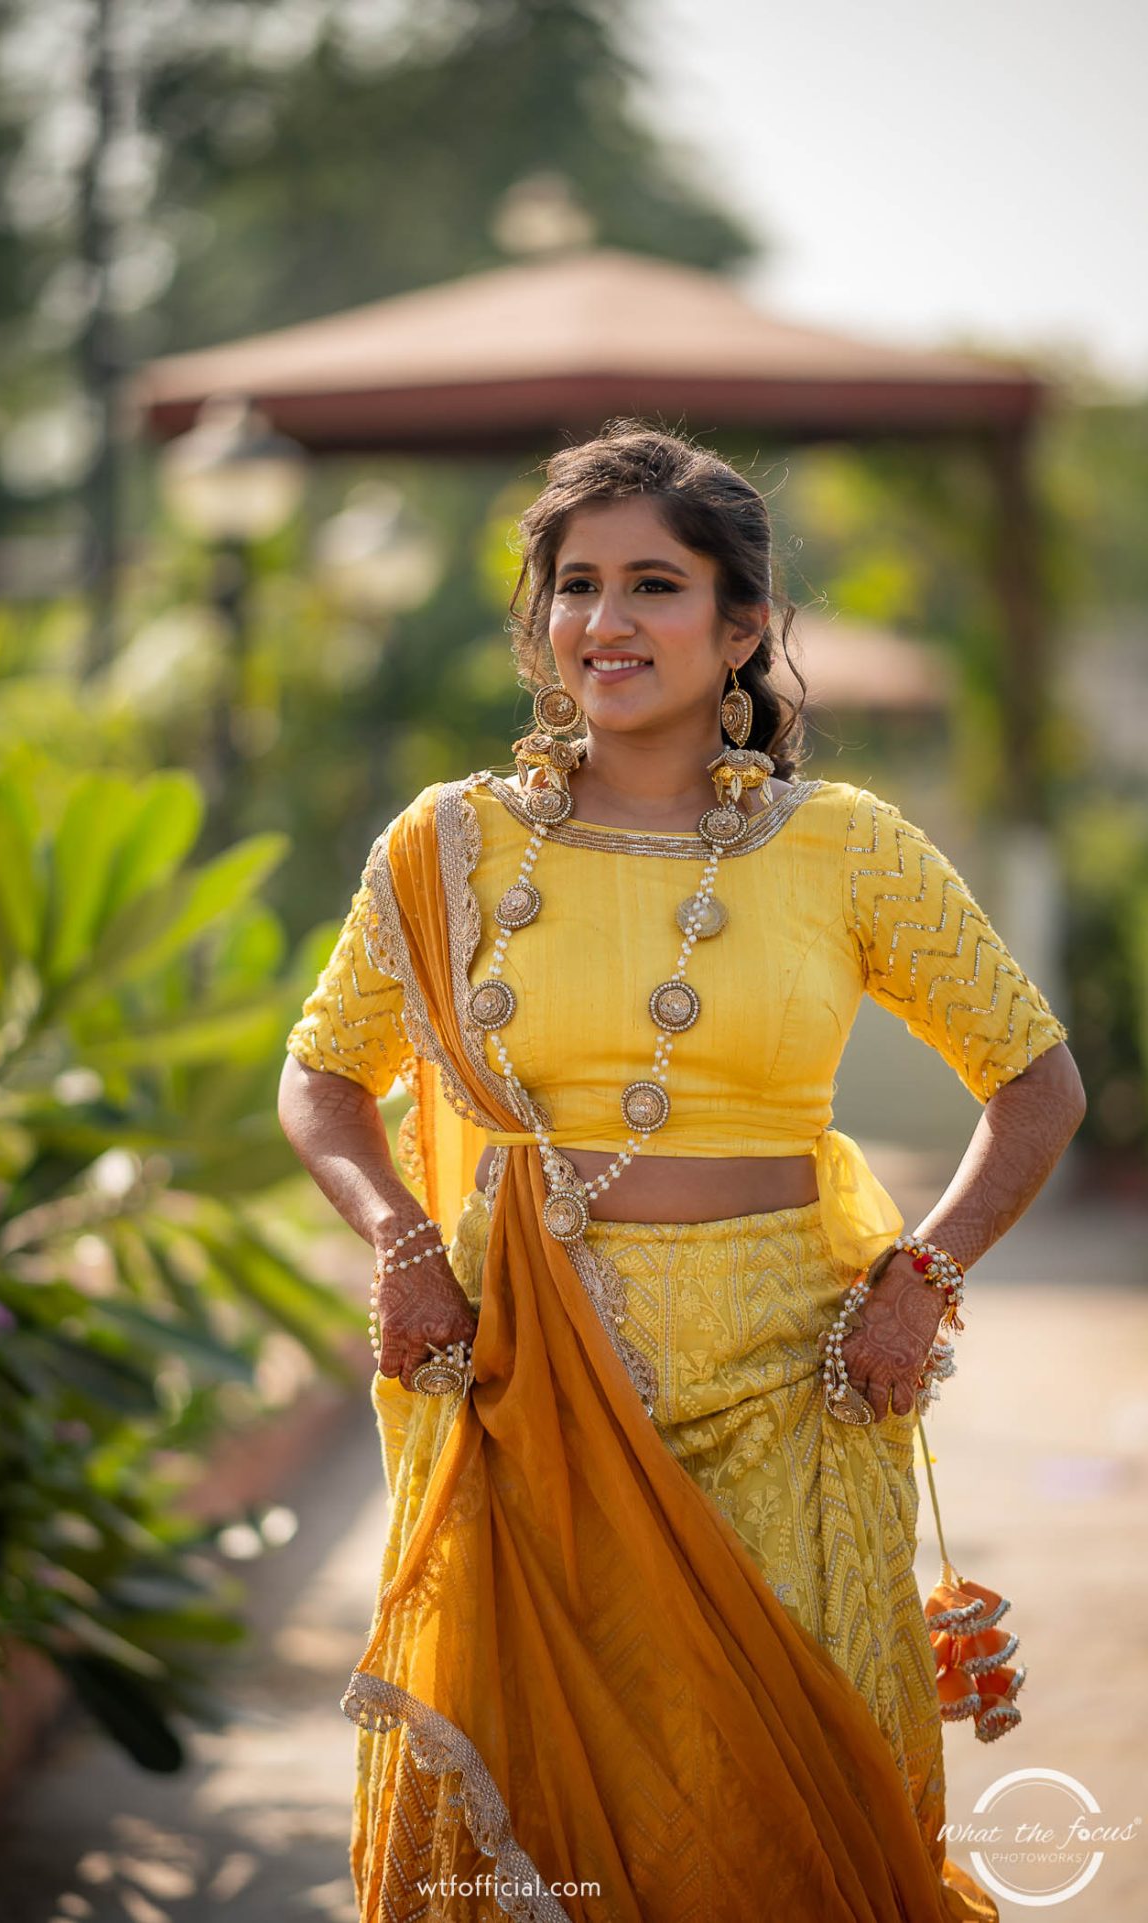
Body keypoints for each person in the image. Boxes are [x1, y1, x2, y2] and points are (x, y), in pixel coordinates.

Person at [277, 422, 1085, 1922]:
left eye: (655, 584)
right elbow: (324, 1076)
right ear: (540, 623)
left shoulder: (847, 848)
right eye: (576, 585)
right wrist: (399, 1240)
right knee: (552, 1820)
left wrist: (926, 1279)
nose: (606, 621)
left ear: (743, 627)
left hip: (798, 1387)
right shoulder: (446, 847)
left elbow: (1036, 1084)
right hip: (529, 1382)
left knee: (786, 1811)